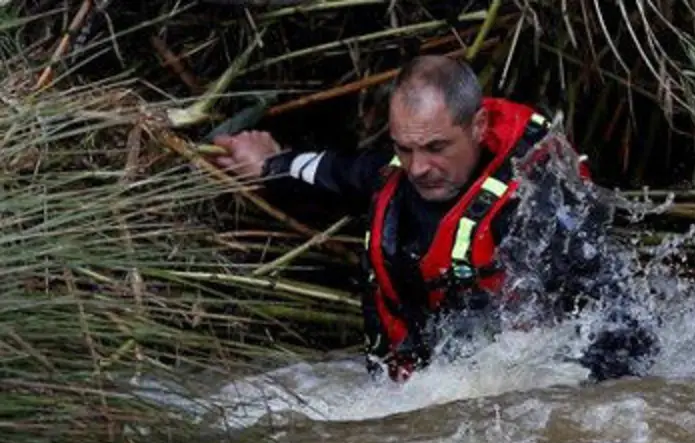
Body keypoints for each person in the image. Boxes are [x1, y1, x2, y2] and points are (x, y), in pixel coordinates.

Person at [211, 54, 659, 383]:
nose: (418, 167)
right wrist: (271, 164)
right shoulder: (397, 171)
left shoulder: (533, 210)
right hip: (407, 388)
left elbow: (623, 327)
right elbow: (339, 172)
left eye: (436, 148)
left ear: (478, 127)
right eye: (404, 148)